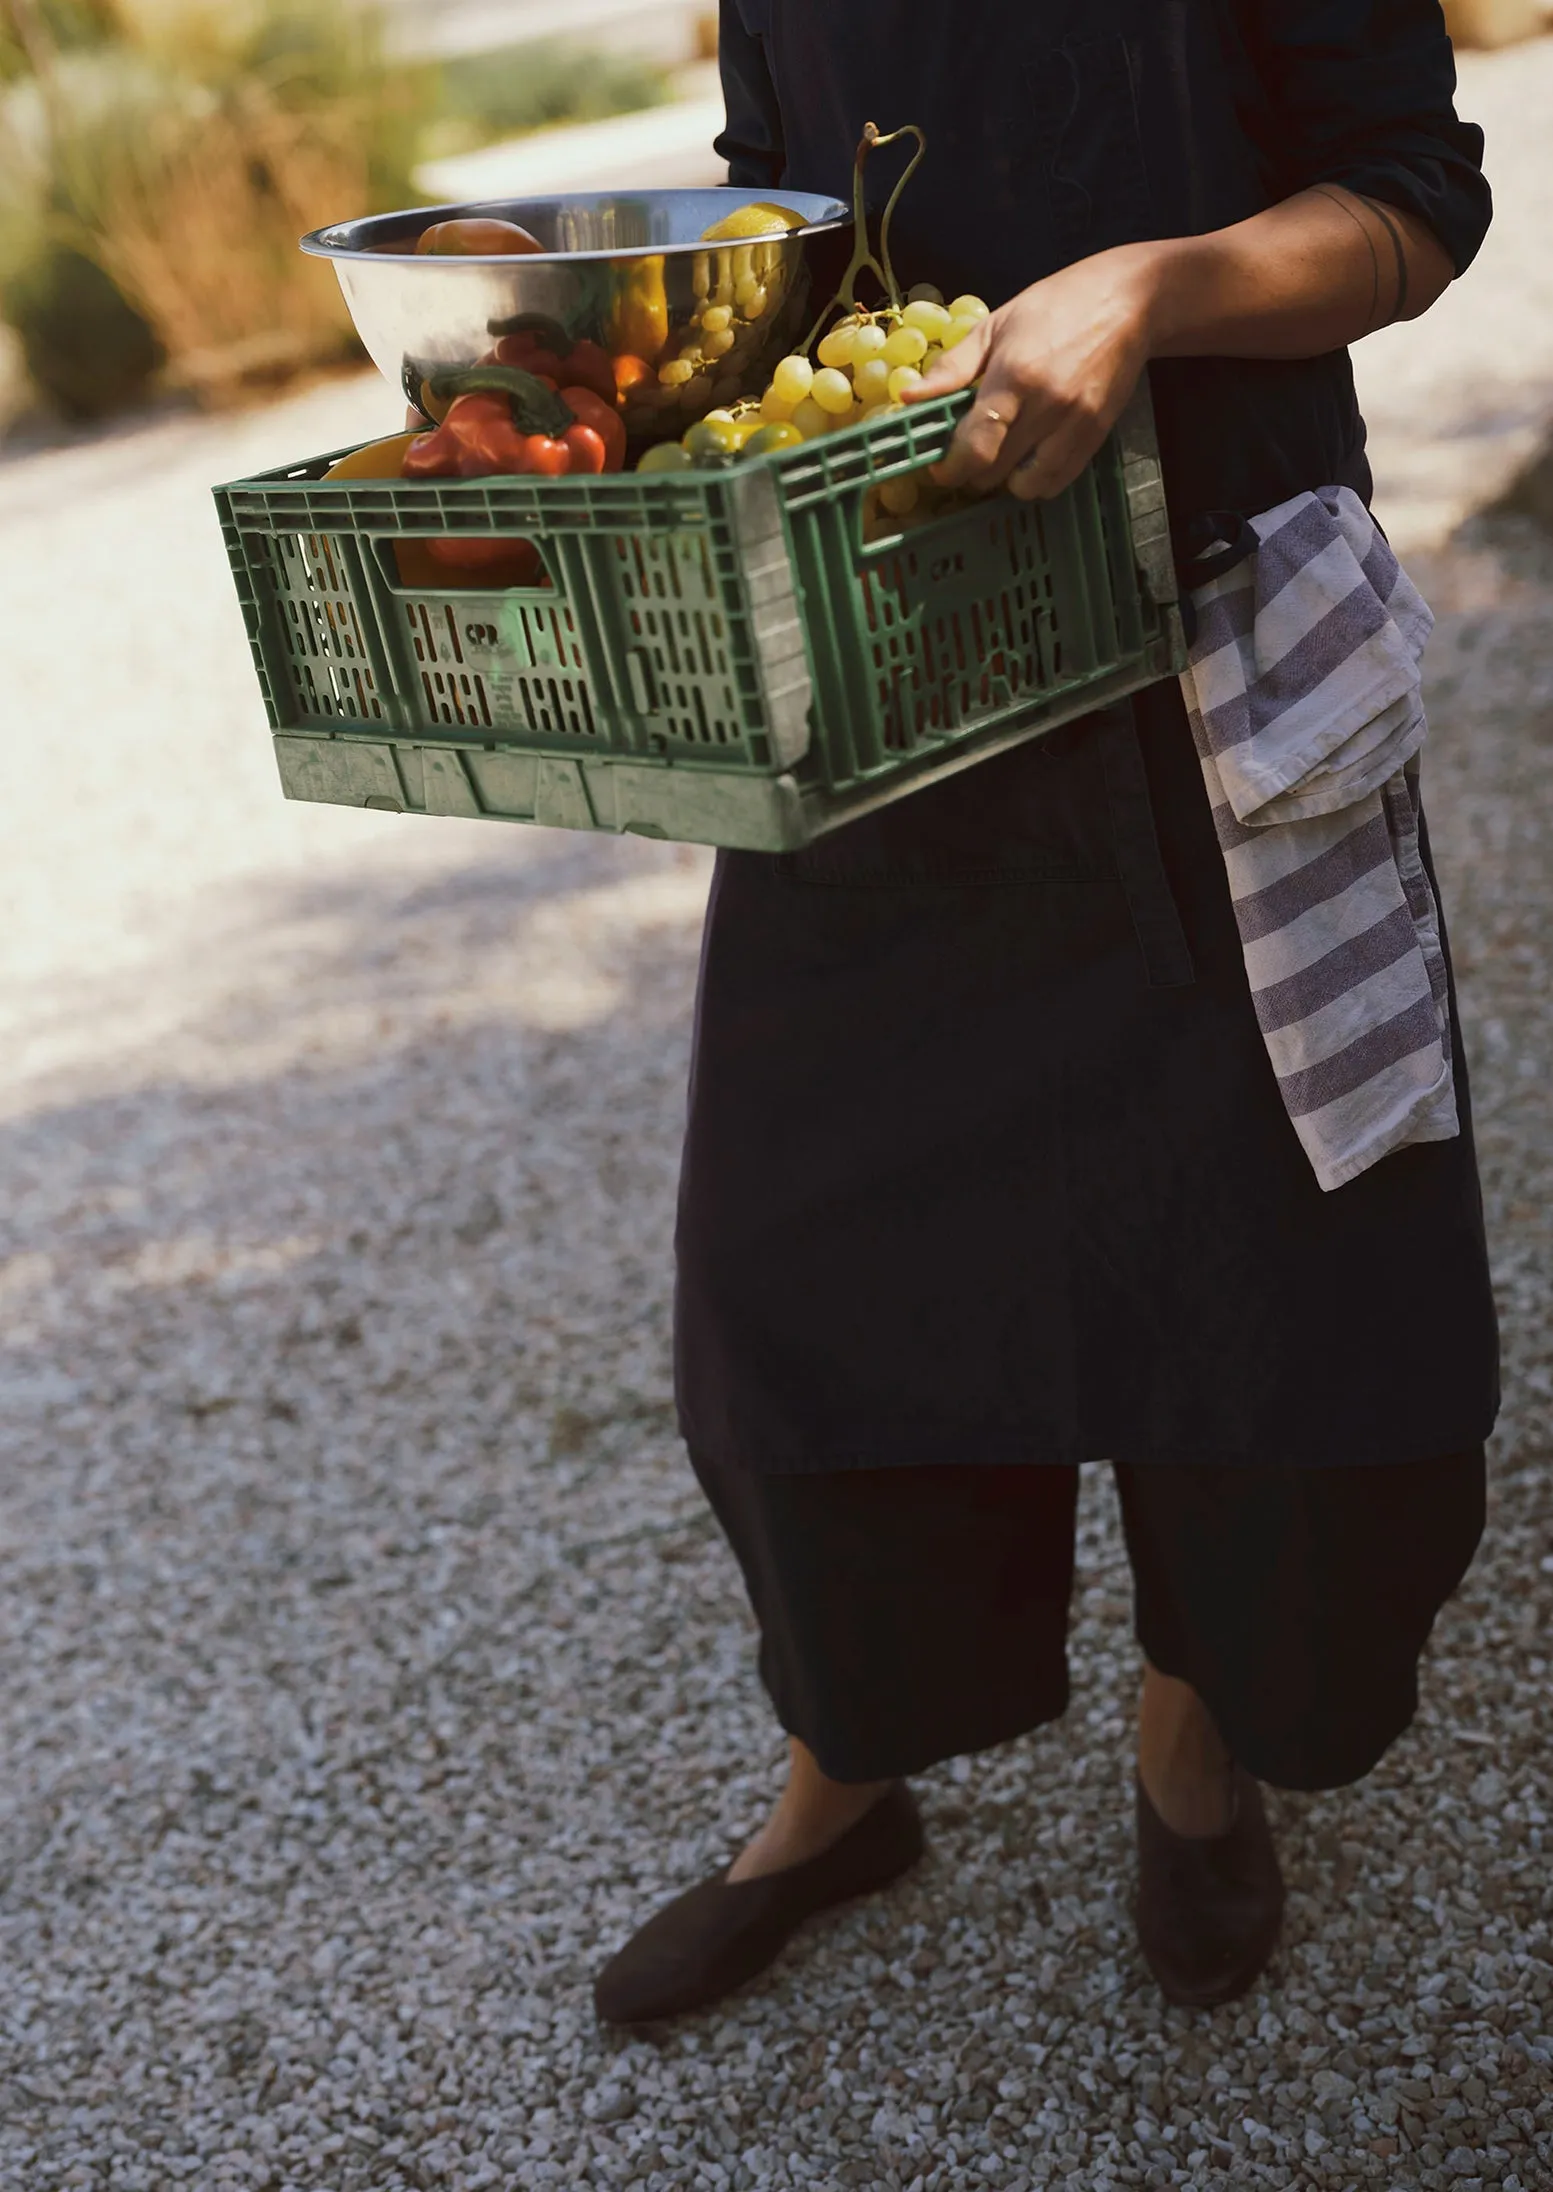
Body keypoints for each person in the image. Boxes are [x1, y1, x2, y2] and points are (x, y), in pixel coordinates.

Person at [594, 0, 1501, 2024]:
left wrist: (1151, 293)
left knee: (1245, 1263)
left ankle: (1195, 1746)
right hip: (882, 657)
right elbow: (785, 196)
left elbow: (1409, 201)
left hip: (1208, 640)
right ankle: (846, 1770)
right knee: (802, 1267)